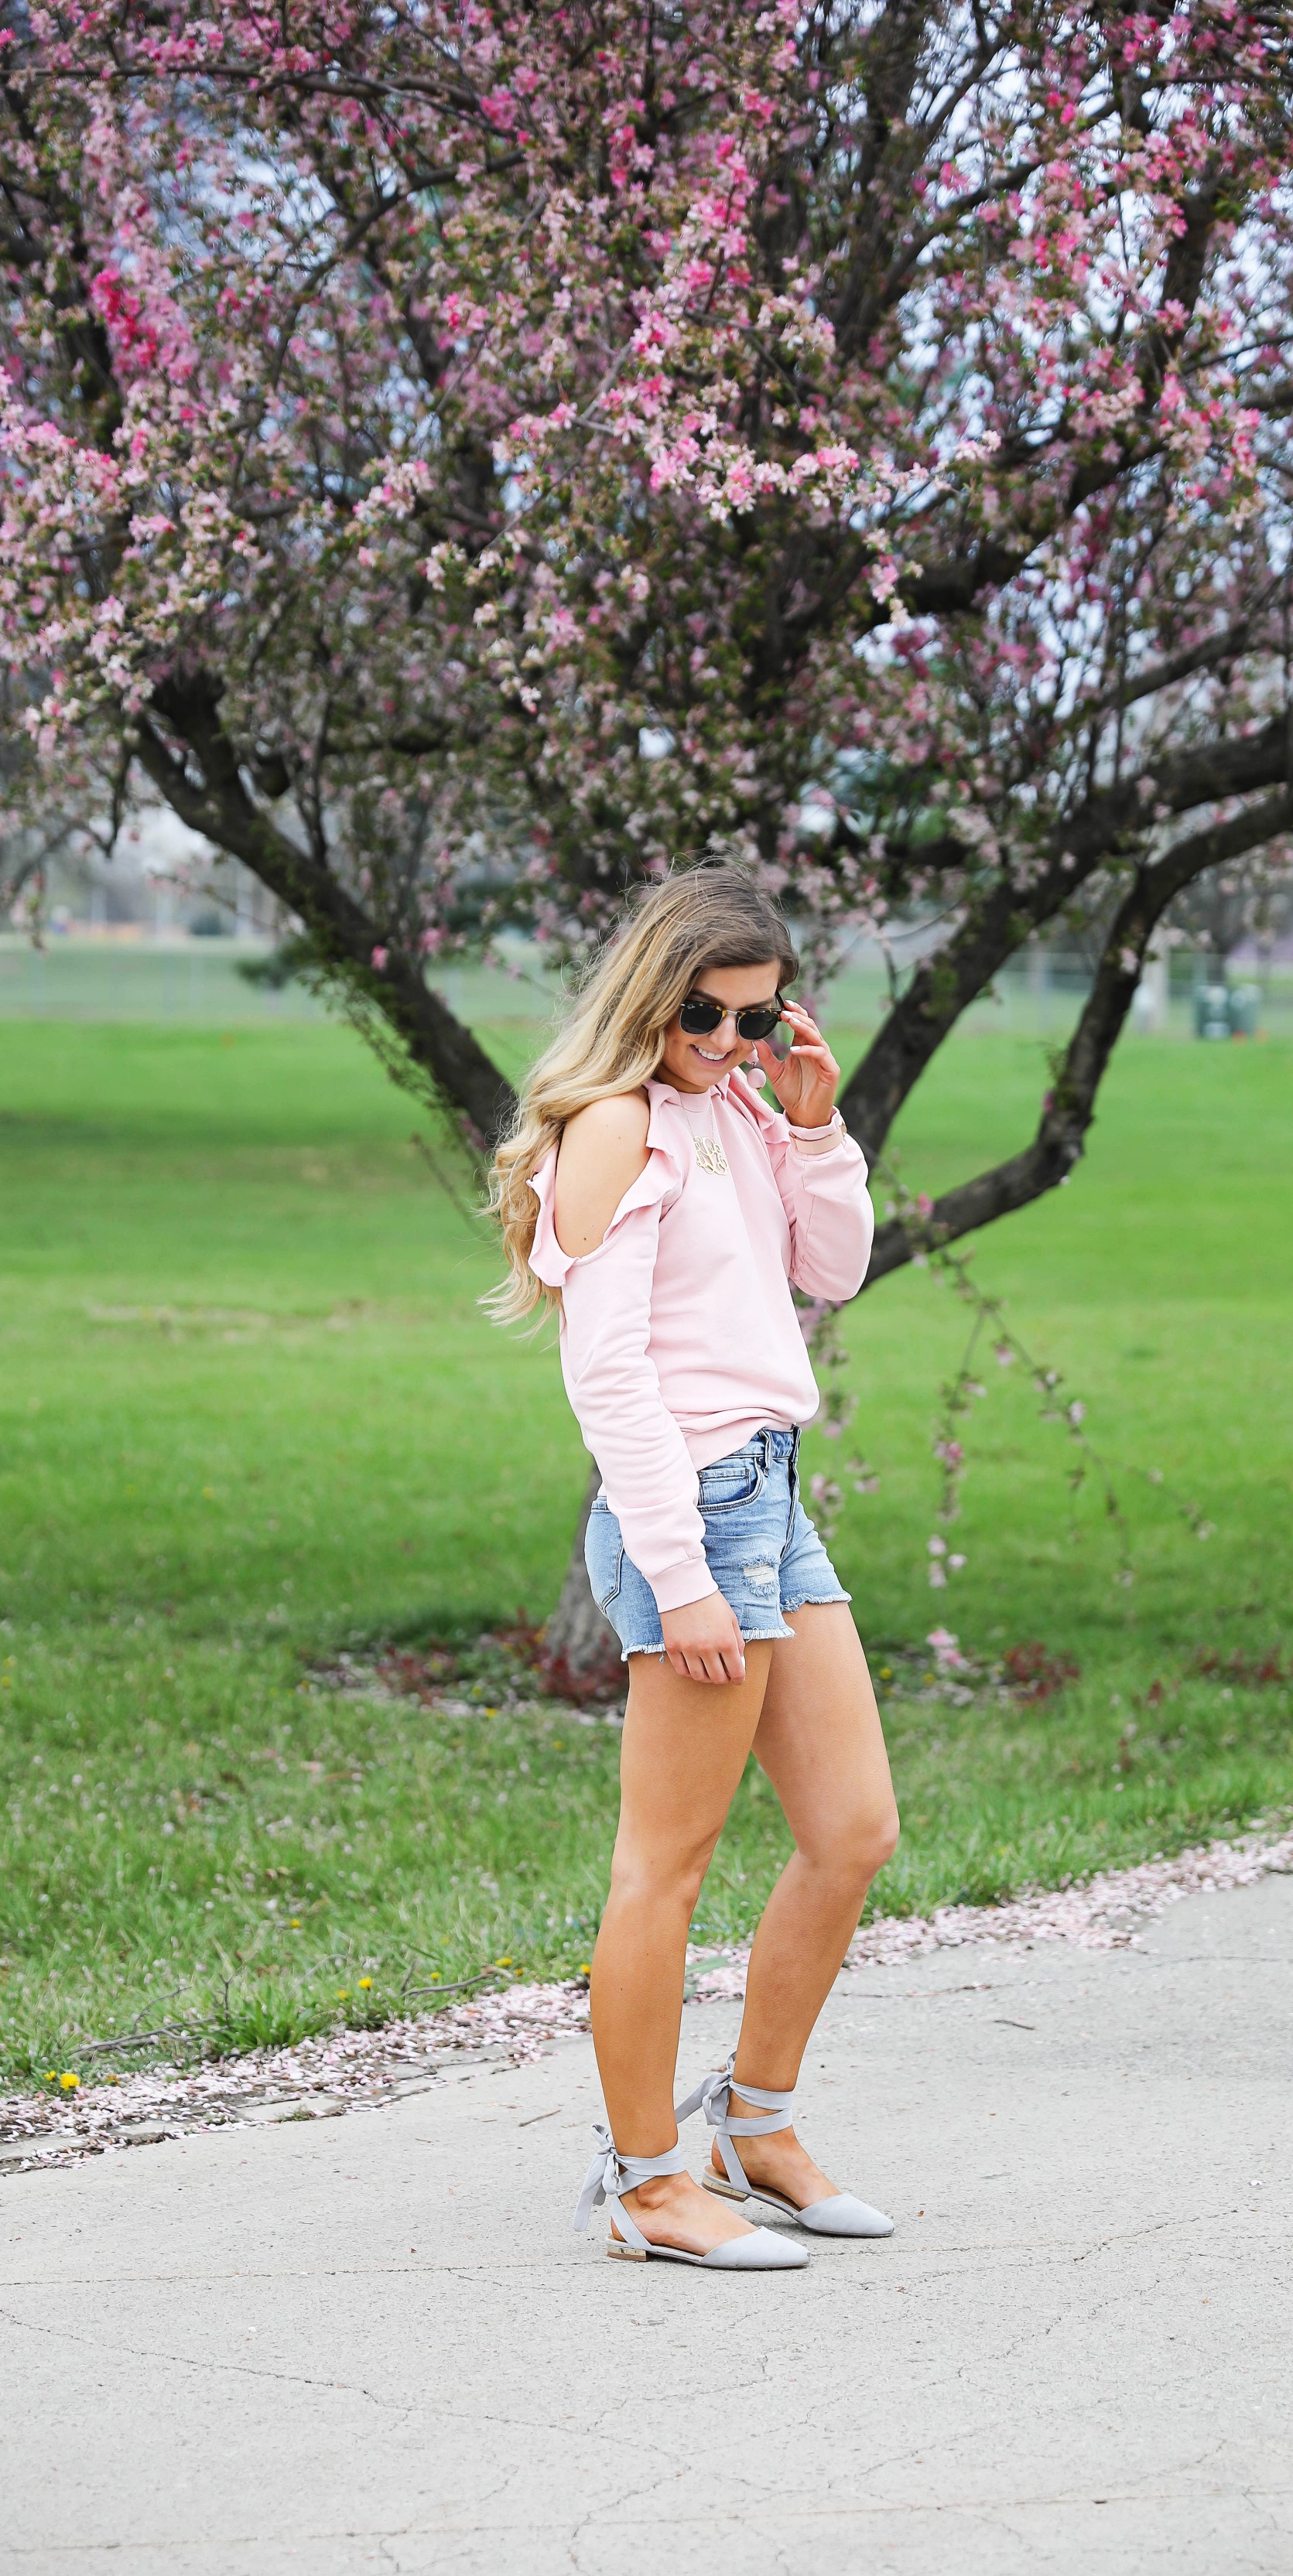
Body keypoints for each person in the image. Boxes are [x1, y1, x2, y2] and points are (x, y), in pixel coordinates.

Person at [487, 866, 899, 2270]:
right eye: (702, 1019)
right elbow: (607, 1380)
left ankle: (754, 2127)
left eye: (754, 1017)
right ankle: (647, 2181)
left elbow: (832, 1270)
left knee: (852, 1832)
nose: (726, 1043)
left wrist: (816, 1124)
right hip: (694, 1508)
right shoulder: (614, 1127)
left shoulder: (734, 1108)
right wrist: (684, 1572)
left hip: (770, 1495)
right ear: (651, 997)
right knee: (665, 1865)